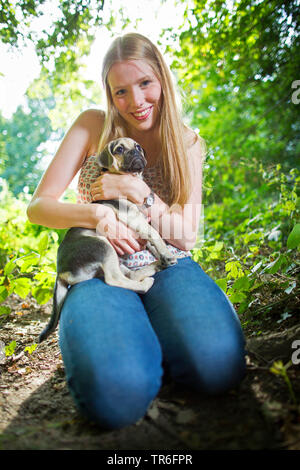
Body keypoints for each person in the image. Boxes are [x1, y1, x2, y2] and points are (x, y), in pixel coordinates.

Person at [27, 33, 246, 430]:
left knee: (217, 365)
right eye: (121, 91)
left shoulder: (188, 142)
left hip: (167, 264)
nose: (136, 101)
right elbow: (39, 206)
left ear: (161, 78)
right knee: (115, 395)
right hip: (100, 269)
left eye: (145, 83)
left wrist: (139, 192)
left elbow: (185, 236)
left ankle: (160, 333)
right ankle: (130, 347)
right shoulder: (93, 124)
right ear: (110, 94)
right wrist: (95, 217)